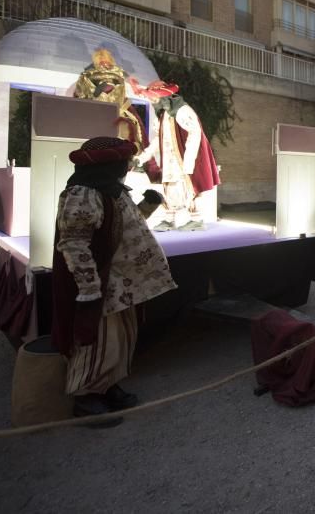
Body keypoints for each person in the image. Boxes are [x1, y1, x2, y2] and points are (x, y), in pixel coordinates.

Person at [52, 137, 176, 420]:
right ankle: (86, 397)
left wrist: (148, 205)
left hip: (123, 281)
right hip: (103, 281)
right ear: (109, 164)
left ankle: (107, 385)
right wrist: (89, 287)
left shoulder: (113, 191)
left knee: (120, 339)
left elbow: (124, 226)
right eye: (123, 162)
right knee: (99, 339)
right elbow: (73, 243)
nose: (127, 166)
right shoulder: (82, 194)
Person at [133, 79, 220, 231]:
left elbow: (195, 134)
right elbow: (156, 140)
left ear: (163, 97)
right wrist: (142, 157)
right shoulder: (163, 116)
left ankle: (197, 219)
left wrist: (189, 162)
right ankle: (169, 219)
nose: (152, 101)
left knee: (188, 187)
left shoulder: (182, 111)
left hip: (183, 158)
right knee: (170, 186)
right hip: (170, 159)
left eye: (153, 97)